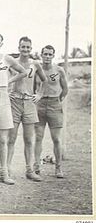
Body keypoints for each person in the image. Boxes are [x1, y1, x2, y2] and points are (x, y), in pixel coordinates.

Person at [0, 32, 27, 185]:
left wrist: (9, 81)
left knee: (3, 138)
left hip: (3, 95)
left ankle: (4, 173)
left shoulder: (7, 58)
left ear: (1, 44)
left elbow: (23, 72)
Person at [7, 36, 47, 182]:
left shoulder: (35, 64)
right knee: (11, 138)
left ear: (31, 49)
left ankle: (29, 170)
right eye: (23, 47)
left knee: (29, 139)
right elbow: (4, 77)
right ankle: (7, 169)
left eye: (28, 47)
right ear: (19, 48)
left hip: (29, 102)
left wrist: (40, 94)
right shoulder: (12, 62)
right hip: (14, 101)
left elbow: (44, 80)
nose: (25, 50)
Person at [34, 45, 68, 178]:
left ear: (53, 56)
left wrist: (58, 99)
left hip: (54, 104)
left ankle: (58, 168)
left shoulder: (59, 70)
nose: (47, 57)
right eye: (45, 54)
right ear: (41, 55)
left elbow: (65, 88)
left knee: (56, 139)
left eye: (50, 54)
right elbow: (32, 88)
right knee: (38, 137)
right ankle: (36, 167)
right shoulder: (37, 70)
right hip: (40, 105)